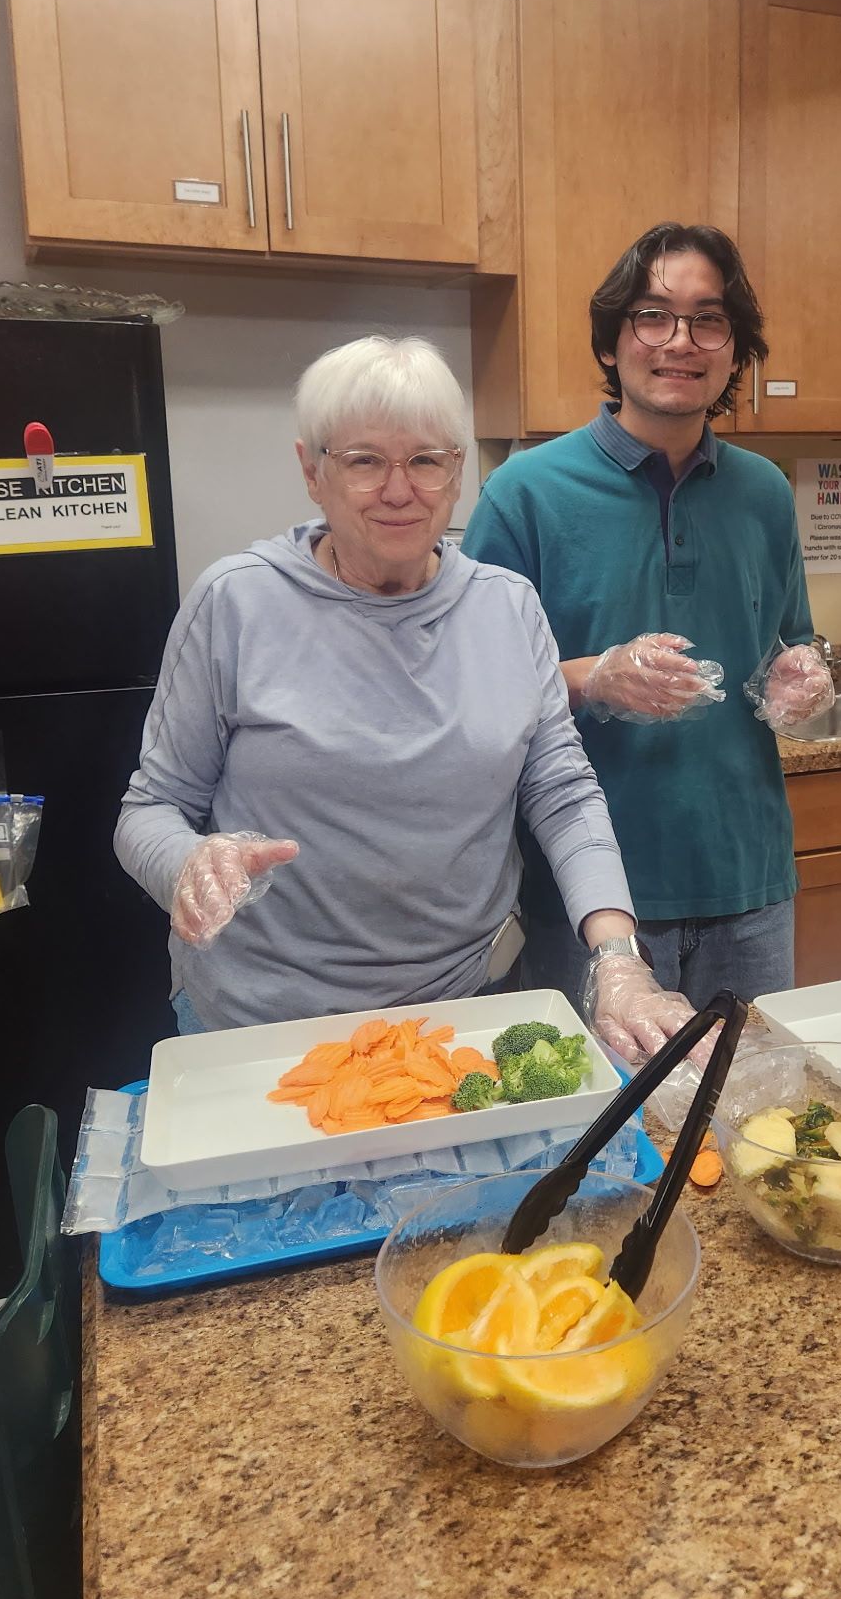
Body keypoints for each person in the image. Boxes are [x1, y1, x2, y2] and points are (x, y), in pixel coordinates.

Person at [115, 335, 695, 1063]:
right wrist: (188, 865)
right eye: (363, 461)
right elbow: (148, 809)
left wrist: (619, 959)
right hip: (258, 1024)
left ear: (458, 474)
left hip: (461, 1017)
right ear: (311, 471)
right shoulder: (236, 603)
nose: (399, 490)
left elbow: (563, 793)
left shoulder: (507, 608)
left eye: (427, 460)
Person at [461, 221, 833, 1013]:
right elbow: (468, 701)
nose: (680, 342)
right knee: (609, 1132)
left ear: (734, 350)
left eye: (709, 320)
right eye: (654, 316)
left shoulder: (764, 492)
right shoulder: (525, 495)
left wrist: (802, 674)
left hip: (750, 881)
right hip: (592, 899)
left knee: (744, 1118)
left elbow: (790, 641)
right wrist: (591, 677)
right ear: (612, 342)